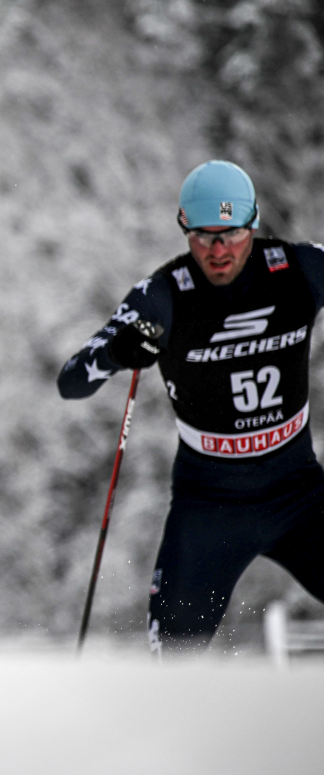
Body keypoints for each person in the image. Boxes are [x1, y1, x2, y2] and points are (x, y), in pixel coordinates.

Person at [57, 160, 324, 654]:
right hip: (209, 506)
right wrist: (118, 352)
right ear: (184, 226)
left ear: (254, 224)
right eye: (204, 236)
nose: (218, 251)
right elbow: (71, 382)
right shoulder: (163, 294)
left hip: (299, 496)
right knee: (175, 658)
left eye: (232, 235)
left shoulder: (299, 269)